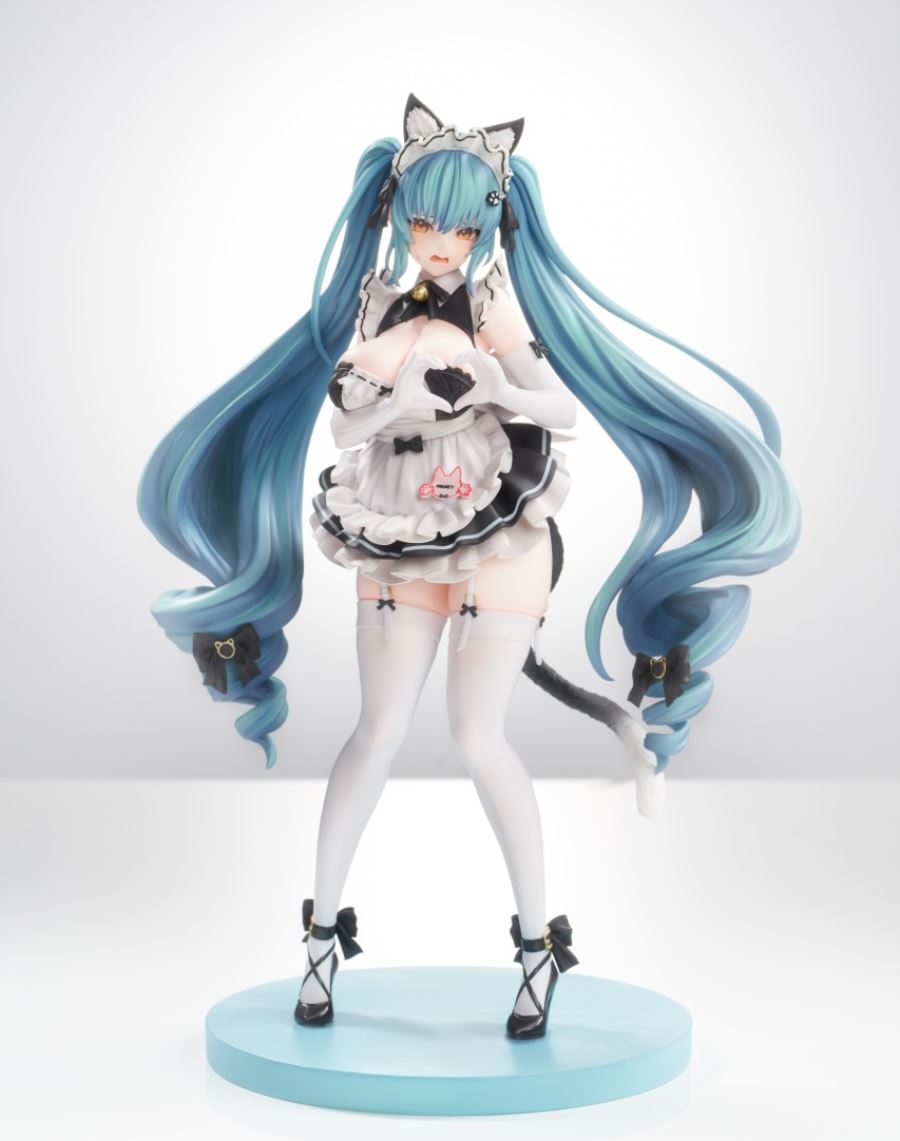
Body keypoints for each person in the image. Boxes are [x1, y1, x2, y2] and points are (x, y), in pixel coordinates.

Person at [138, 94, 801, 1039]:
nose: (441, 245)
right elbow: (345, 426)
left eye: (460, 227)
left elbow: (561, 410)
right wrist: (390, 402)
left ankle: (538, 948)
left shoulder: (491, 304)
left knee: (478, 736)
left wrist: (491, 382)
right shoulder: (374, 305)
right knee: (376, 732)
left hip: (497, 529)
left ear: (489, 224)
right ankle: (321, 939)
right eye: (424, 224)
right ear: (398, 218)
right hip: (395, 525)